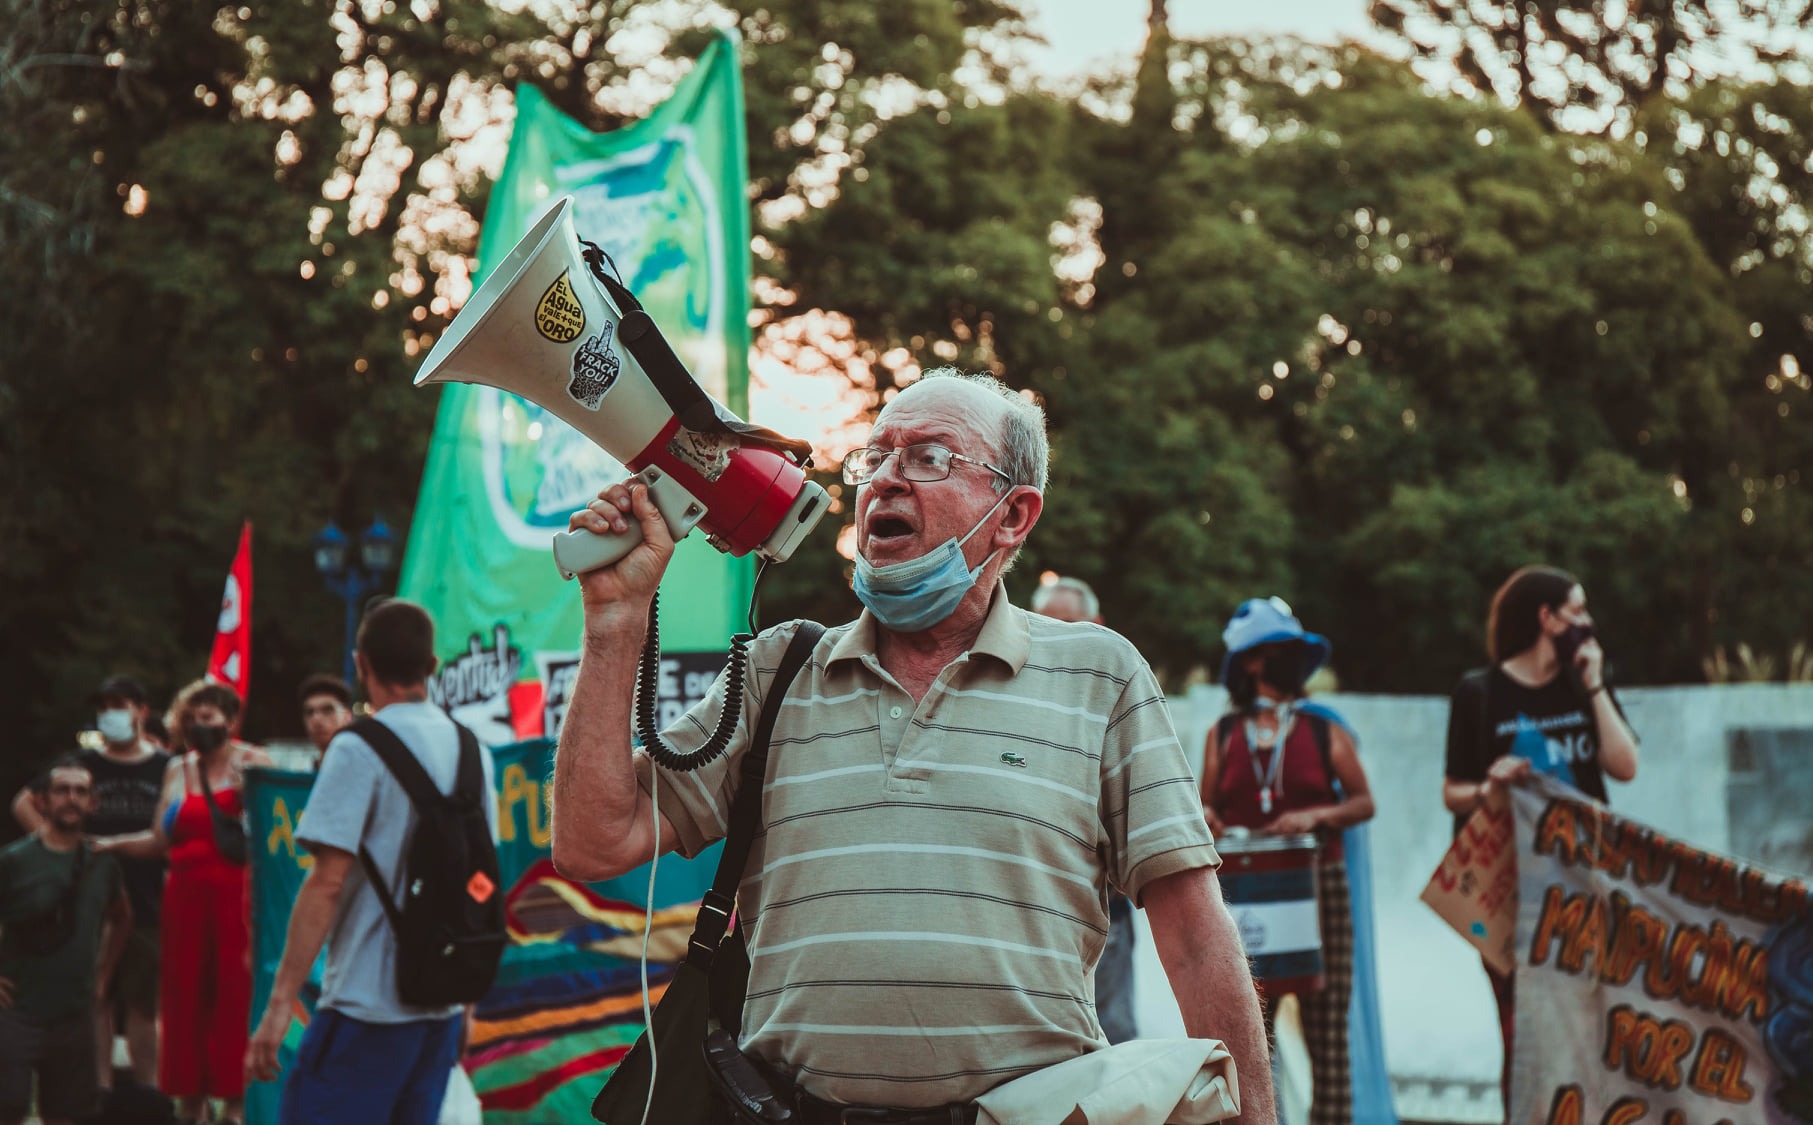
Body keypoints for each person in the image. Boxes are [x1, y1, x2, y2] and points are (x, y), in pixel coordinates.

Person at [551, 368, 1276, 1122]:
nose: (885, 481)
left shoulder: (1100, 673)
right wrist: (615, 622)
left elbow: (1194, 935)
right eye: (875, 458)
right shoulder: (776, 670)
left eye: (929, 457)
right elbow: (594, 842)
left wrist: (1258, 1118)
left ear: (1012, 514)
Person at [246, 599, 498, 1125]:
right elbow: (482, 884)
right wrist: (467, 1005)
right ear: (432, 666)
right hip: (441, 1010)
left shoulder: (357, 748)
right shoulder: (474, 750)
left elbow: (326, 884)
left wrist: (277, 1009)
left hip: (366, 1005)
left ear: (361, 665)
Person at [1442, 566, 1638, 1119]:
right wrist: (1490, 785)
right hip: (1511, 896)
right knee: (1524, 1038)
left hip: (1585, 887)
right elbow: (1452, 793)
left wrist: (1594, 682)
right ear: (1546, 618)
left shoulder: (1583, 683)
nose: (1588, 622)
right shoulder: (1478, 693)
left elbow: (1625, 766)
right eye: (1577, 610)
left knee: (1590, 1034)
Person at [1200, 597, 1376, 1125]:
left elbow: (1363, 802)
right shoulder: (1224, 733)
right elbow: (1205, 805)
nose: (1291, 660)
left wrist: (1317, 814)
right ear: (1252, 661)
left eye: (1294, 651)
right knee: (1252, 1033)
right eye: (1281, 650)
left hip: (1318, 887)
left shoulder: (1324, 728)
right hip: (1248, 890)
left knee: (1327, 1031)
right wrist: (1209, 817)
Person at [12, 675, 169, 1089]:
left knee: (142, 1005)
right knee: (94, 1000)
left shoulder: (164, 766)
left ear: (141, 711)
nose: (109, 714)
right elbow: (24, 802)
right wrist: (57, 847)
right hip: (87, 902)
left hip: (147, 900)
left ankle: (146, 1094)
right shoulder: (83, 764)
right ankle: (98, 1092)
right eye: (103, 706)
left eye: (119, 704)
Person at [1030, 575, 1139, 1046]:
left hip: (1106, 908)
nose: (1057, 637)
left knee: (1112, 1034)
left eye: (1070, 624)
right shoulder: (1015, 705)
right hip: (1031, 913)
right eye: (1044, 625)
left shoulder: (1118, 704)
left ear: (1097, 626)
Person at [157, 680, 270, 1125]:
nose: (198, 724)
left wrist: (252, 795)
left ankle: (234, 1104)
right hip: (183, 896)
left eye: (207, 716)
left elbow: (275, 835)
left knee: (232, 994)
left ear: (229, 718)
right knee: (184, 994)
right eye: (191, 717)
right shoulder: (175, 770)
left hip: (234, 895)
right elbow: (158, 837)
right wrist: (107, 844)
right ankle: (189, 1101)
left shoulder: (255, 762)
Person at [0, 758, 133, 1125]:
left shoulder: (102, 863)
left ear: (93, 803)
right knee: (7, 1108)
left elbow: (122, 917)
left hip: (74, 1014)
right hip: (16, 1011)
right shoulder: (14, 860)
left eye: (81, 792)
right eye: (62, 790)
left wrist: (103, 977)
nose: (71, 799)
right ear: (42, 801)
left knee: (67, 1114)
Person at [297, 674, 355, 760]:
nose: (316, 718)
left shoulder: (365, 767)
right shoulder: (301, 766)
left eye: (327, 710)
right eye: (310, 712)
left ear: (347, 716)